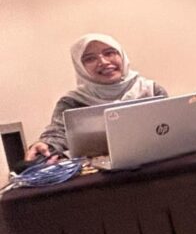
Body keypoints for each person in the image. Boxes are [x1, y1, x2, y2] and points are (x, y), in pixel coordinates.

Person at [24, 34, 168, 162]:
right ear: (80, 67)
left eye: (109, 53)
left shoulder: (151, 90)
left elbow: (169, 127)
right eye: (90, 58)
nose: (104, 62)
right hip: (99, 175)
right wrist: (45, 145)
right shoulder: (72, 101)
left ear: (121, 56)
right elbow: (58, 133)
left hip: (154, 164)